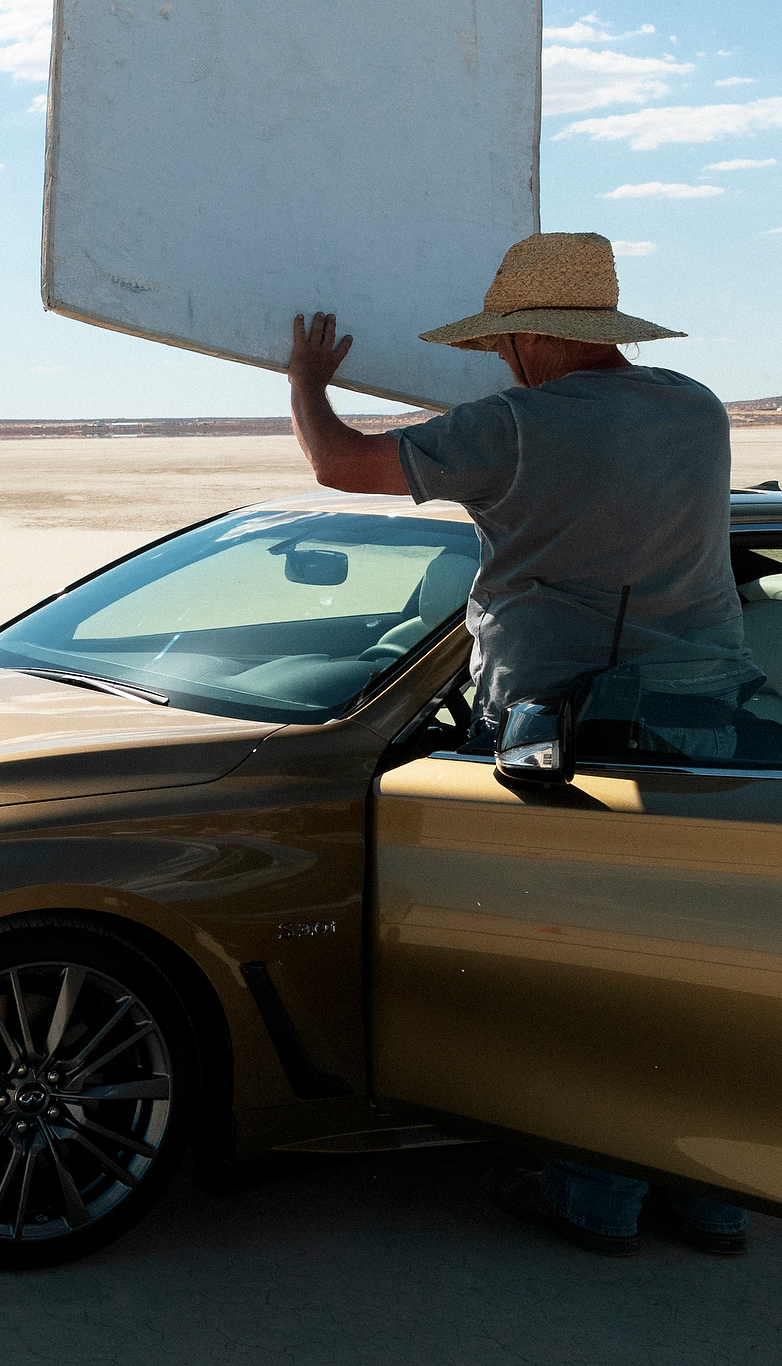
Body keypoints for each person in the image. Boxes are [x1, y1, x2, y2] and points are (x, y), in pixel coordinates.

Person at [286, 230, 756, 1259]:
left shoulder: (510, 429)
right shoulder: (692, 407)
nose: (500, 359)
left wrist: (308, 382)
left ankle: (595, 1200)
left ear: (539, 334)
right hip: (700, 719)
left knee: (578, 966)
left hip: (562, 725)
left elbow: (336, 464)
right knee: (689, 962)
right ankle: (715, 1199)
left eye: (506, 341)